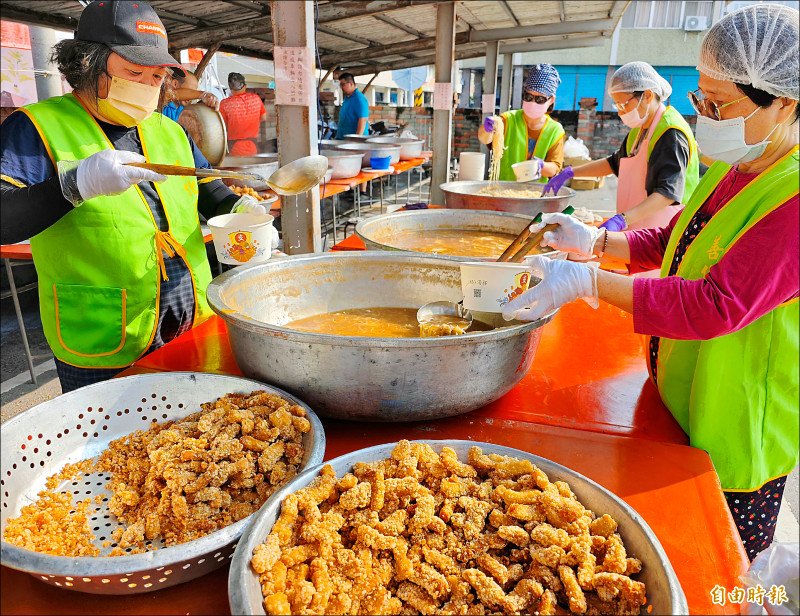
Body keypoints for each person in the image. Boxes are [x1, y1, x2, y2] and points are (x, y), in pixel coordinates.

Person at [503, 3, 799, 561]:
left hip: (735, 430)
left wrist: (588, 283)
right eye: (701, 98)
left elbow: (716, 303)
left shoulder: (794, 198)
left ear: (784, 102)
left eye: (721, 103)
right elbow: (675, 244)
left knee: (711, 569)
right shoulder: (737, 168)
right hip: (678, 395)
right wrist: (593, 243)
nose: (706, 114)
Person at [0, 0, 266, 393]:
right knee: (115, 447)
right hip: (103, 338)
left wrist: (243, 212)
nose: (148, 86)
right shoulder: (37, 127)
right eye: (135, 72)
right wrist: (75, 185)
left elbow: (211, 193)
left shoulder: (170, 130)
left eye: (157, 76)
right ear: (88, 65)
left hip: (192, 323)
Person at [546, 62, 700, 233]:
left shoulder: (671, 133)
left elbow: (666, 195)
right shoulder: (640, 129)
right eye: (616, 106)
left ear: (647, 95)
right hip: (639, 231)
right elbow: (614, 164)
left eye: (623, 104)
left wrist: (622, 220)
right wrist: (570, 172)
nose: (620, 112)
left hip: (665, 232)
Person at [478, 63, 565, 183]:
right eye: (528, 97)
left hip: (535, 195)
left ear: (551, 100)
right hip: (503, 191)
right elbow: (485, 139)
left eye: (540, 99)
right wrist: (486, 129)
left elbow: (555, 168)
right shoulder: (508, 119)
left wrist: (541, 166)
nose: (533, 102)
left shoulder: (555, 130)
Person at [219, 72, 266, 156]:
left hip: (234, 148)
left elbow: (222, 126)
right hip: (253, 146)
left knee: (236, 168)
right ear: (245, 86)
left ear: (230, 89)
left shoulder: (225, 104)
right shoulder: (256, 99)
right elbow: (263, 117)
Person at [336, 72, 369, 138]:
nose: (341, 87)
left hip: (353, 142)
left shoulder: (359, 99)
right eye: (340, 85)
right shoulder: (347, 98)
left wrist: (356, 140)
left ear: (351, 84)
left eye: (343, 84)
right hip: (343, 139)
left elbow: (363, 120)